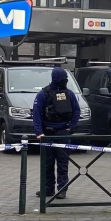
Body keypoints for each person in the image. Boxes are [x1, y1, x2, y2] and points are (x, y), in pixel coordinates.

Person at [33, 67, 81, 199]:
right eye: (63, 79)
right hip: (48, 134)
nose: (65, 81)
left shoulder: (69, 94)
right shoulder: (43, 94)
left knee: (62, 163)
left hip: (63, 133)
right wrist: (39, 132)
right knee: (47, 164)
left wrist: (71, 128)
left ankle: (62, 190)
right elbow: (37, 113)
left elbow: (77, 111)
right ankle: (48, 189)